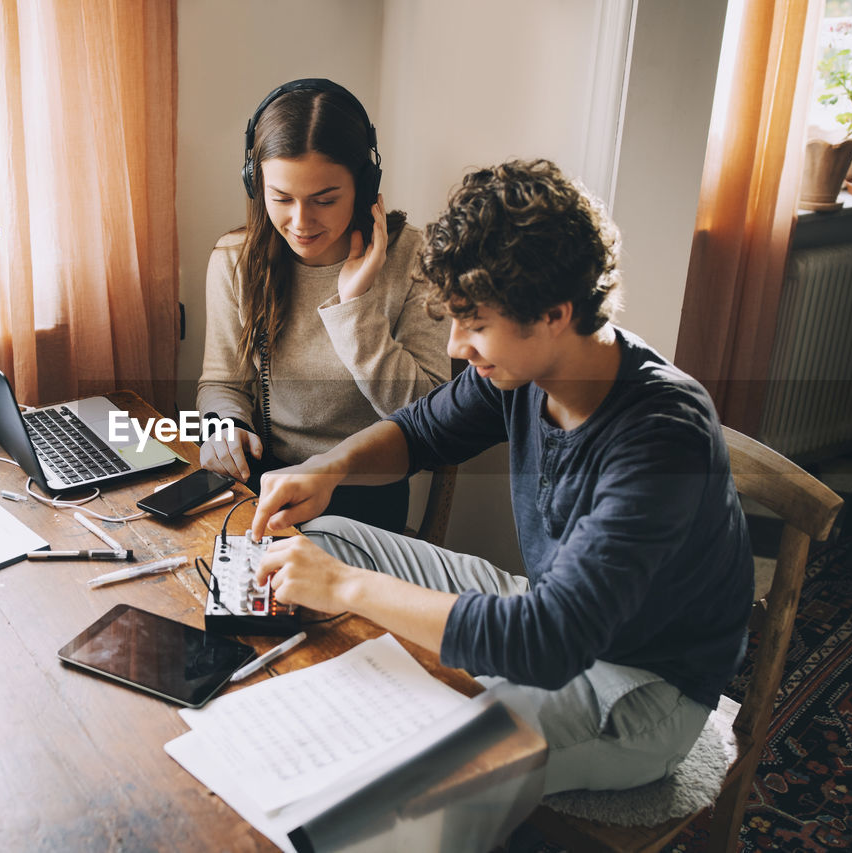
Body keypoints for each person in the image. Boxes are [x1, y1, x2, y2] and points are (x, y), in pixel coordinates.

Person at [248, 159, 754, 795]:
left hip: (640, 688)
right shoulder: (523, 372)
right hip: (545, 605)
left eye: (476, 324)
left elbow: (548, 640)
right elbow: (422, 432)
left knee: (416, 767)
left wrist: (348, 589)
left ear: (553, 314)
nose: (458, 346)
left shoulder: (663, 438)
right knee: (324, 536)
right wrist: (328, 467)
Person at [197, 78, 450, 533]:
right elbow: (222, 382)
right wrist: (225, 427)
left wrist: (354, 308)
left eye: (325, 200)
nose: (300, 222)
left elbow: (429, 413)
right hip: (264, 478)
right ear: (256, 186)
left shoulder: (415, 260)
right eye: (281, 199)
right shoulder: (234, 261)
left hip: (367, 490)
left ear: (365, 186)